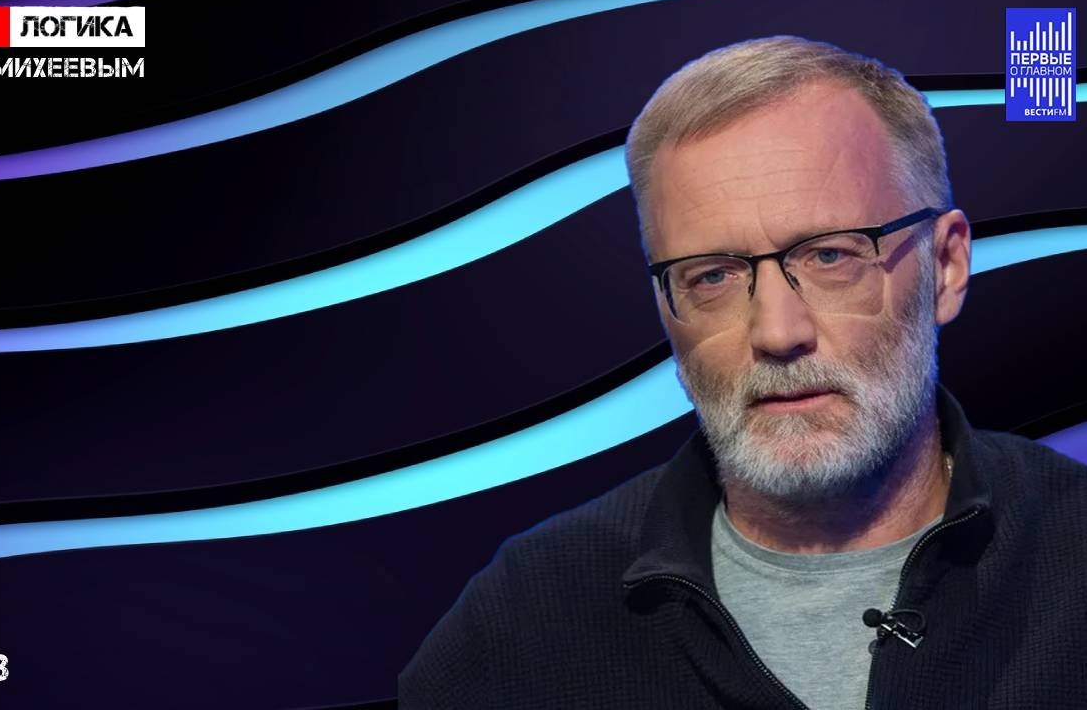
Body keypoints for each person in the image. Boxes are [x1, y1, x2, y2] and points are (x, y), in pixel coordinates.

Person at [398, 35, 1087, 709]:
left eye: (830, 256)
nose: (778, 333)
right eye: (713, 276)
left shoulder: (1073, 554)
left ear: (946, 267)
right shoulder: (524, 622)